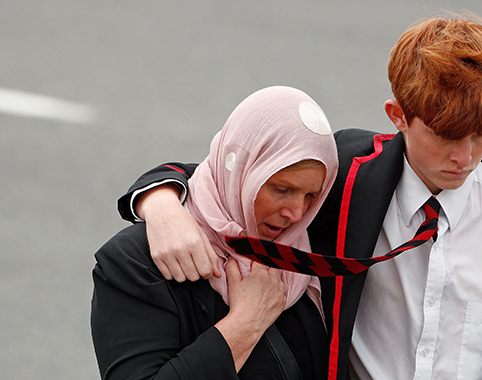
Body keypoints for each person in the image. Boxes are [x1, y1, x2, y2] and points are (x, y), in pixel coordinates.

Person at [116, 14, 482, 380]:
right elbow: (236, 173)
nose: (465, 156)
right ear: (397, 115)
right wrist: (159, 202)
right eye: (446, 134)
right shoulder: (343, 178)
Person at [91, 86, 339, 379]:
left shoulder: (315, 239)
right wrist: (245, 325)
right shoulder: (137, 262)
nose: (297, 213)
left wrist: (156, 194)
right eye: (282, 190)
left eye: (312, 195)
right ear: (242, 173)